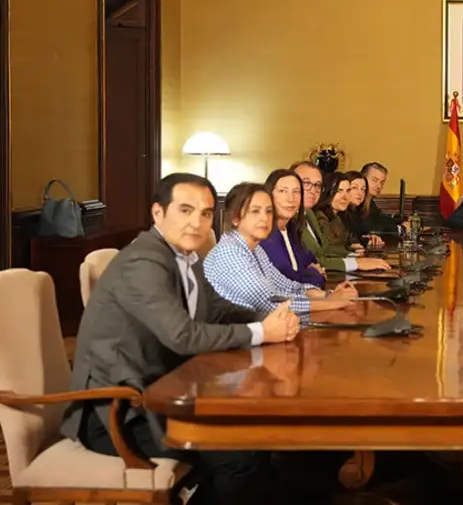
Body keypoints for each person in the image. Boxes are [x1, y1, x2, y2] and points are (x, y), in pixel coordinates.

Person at [60, 173, 299, 505]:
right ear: (158, 213)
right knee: (241, 456)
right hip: (120, 410)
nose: (196, 222)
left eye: (205, 213)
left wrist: (271, 320)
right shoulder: (144, 261)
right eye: (185, 210)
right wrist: (262, 332)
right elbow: (182, 336)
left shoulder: (188, 256)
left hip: (167, 392)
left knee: (259, 439)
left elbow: (220, 310)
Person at [204, 182, 363, 314]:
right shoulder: (230, 251)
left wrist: (328, 295)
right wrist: (333, 302)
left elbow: (287, 286)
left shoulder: (256, 249)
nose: (264, 218)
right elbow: (269, 304)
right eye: (255, 211)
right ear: (235, 218)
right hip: (238, 336)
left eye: (269, 211)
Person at [262, 169, 327, 287]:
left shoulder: (292, 228)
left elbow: (311, 260)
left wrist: (309, 272)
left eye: (296, 192)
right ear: (269, 195)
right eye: (283, 191)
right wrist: (315, 275)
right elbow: (286, 279)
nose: (291, 199)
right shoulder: (263, 233)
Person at [361, 161, 409, 234]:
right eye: (375, 180)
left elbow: (380, 219)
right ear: (362, 179)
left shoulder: (369, 200)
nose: (379, 186)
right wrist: (401, 229)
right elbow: (372, 228)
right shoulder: (359, 200)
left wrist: (403, 221)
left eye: (382, 182)